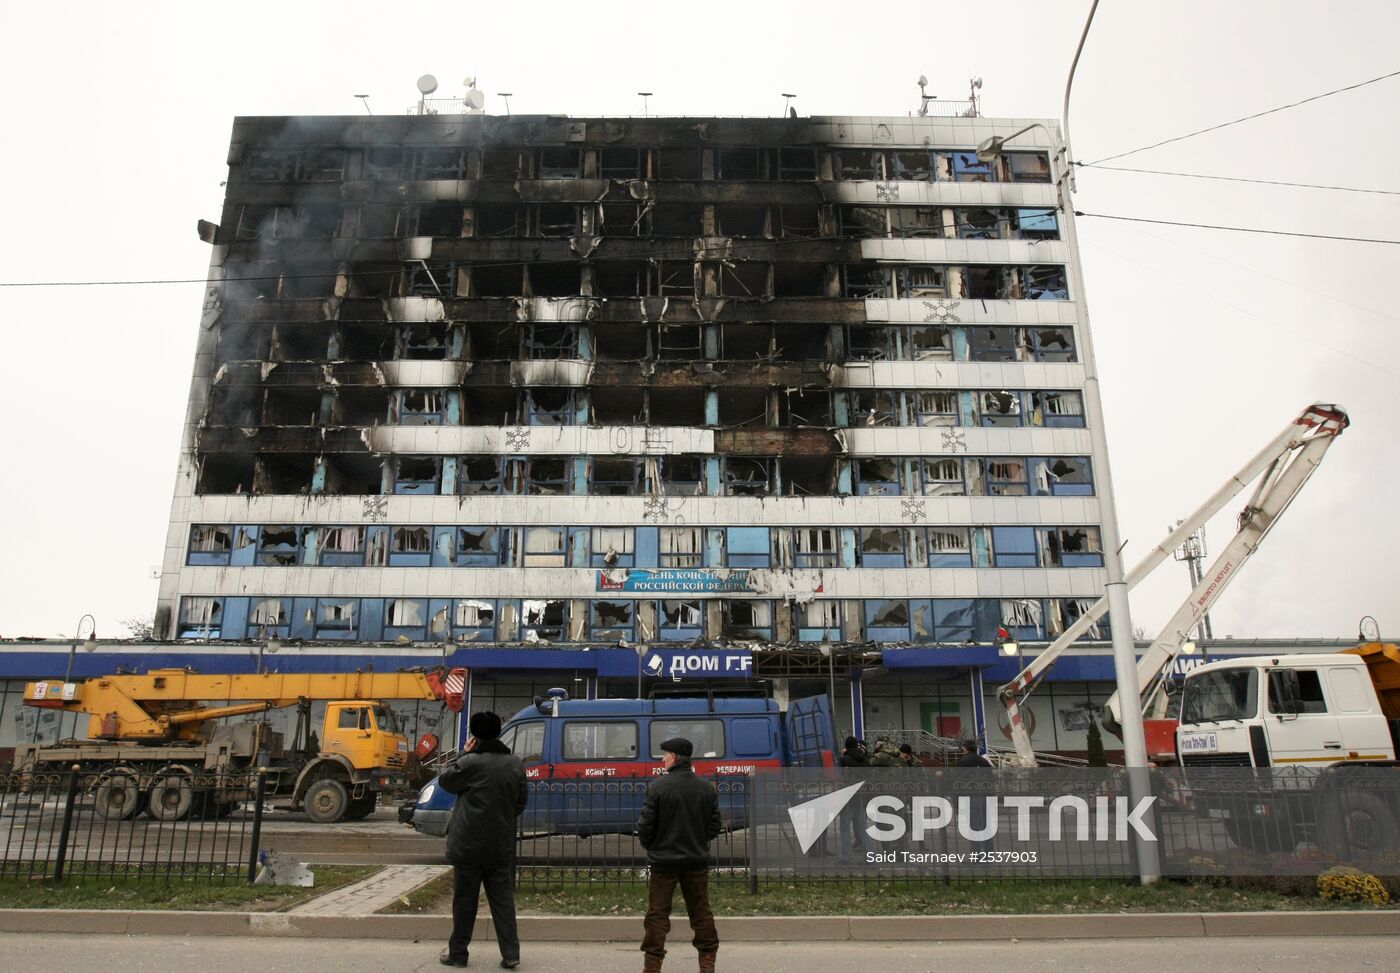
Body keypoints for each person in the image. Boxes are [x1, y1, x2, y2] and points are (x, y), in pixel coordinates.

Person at [438, 711, 528, 969]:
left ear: (475, 736)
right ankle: (511, 954)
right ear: (498, 732)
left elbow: (446, 780)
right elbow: (520, 803)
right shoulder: (514, 764)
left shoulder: (470, 763)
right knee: (502, 901)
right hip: (500, 845)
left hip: (467, 845)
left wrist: (463, 754)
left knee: (464, 903)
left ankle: (458, 954)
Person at [636, 736, 721, 973]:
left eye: (664, 755)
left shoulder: (658, 787)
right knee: (701, 912)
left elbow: (645, 826)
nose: (662, 759)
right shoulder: (706, 788)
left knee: (657, 915)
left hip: (664, 863)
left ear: (673, 757)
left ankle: (652, 965)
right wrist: (697, 842)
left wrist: (653, 846)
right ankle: (707, 963)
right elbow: (714, 826)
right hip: (696, 861)